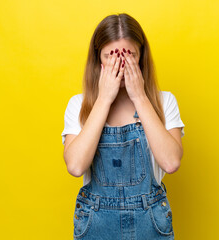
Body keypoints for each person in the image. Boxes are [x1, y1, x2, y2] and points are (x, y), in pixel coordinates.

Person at [61, 13, 185, 240]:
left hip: (151, 223)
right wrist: (103, 100)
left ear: (141, 58)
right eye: (110, 56)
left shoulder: (164, 101)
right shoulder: (78, 105)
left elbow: (171, 162)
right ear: (98, 59)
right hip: (96, 224)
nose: (119, 63)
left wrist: (139, 97)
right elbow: (76, 166)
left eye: (129, 56)